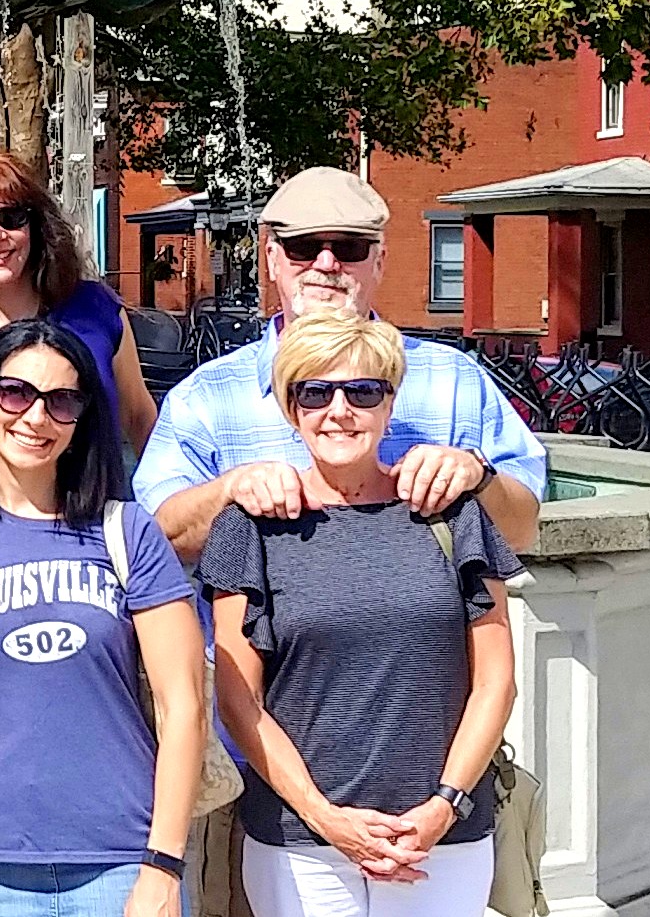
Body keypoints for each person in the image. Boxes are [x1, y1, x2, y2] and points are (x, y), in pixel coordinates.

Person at [197, 314, 519, 917]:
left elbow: (495, 681)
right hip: (301, 843)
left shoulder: (451, 516)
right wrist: (325, 818)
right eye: (314, 392)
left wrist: (444, 805)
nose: (338, 410)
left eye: (361, 391)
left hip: (440, 838)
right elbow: (240, 700)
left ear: (389, 404)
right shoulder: (251, 526)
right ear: (293, 411)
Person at [0, 317, 204, 917]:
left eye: (61, 401)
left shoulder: (127, 532)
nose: (35, 417)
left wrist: (163, 866)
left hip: (121, 860)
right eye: (15, 392)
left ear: (82, 417)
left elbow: (183, 702)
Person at [133, 168, 544, 564]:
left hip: (418, 634)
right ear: (273, 259)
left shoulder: (454, 382)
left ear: (379, 261)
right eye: (303, 247)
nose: (326, 264)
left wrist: (477, 476)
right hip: (251, 635)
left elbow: (523, 529)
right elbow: (156, 538)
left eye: (349, 248)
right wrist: (229, 492)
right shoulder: (207, 396)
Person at [0, 150, 160, 484]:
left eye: (11, 218)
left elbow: (138, 414)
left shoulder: (96, 309)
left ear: (36, 225)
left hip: (93, 516)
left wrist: (162, 503)